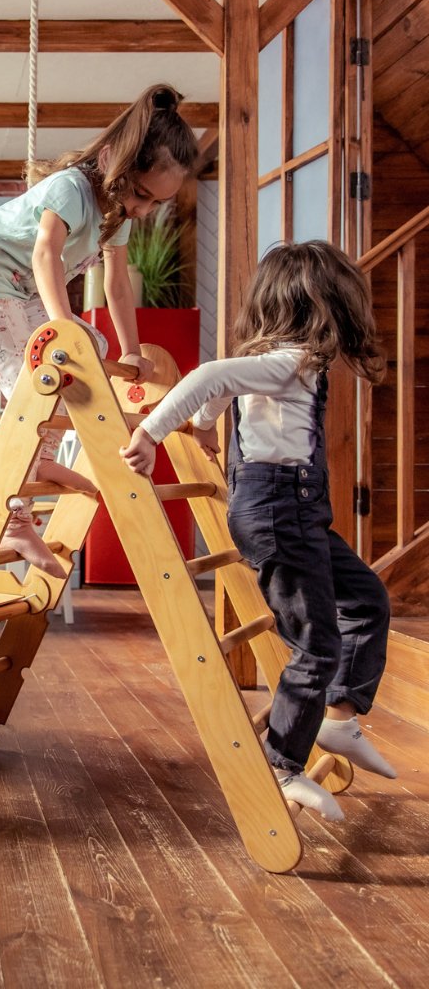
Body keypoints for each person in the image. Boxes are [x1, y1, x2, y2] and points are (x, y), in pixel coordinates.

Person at [120, 240, 395, 821]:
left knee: (367, 602)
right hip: (280, 513)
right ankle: (281, 763)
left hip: (299, 513)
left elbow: (221, 389)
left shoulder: (284, 361)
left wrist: (205, 427)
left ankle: (341, 718)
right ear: (319, 308)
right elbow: (210, 374)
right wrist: (151, 432)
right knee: (316, 645)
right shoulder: (289, 361)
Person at [0, 83, 198, 576]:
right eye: (141, 194)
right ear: (110, 160)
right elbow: (45, 254)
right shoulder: (72, 188)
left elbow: (117, 285)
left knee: (94, 347)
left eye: (154, 205)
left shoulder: (117, 212)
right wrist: (62, 331)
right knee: (35, 386)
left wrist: (130, 349)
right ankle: (19, 522)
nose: (142, 210)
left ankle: (40, 464)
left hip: (23, 295)